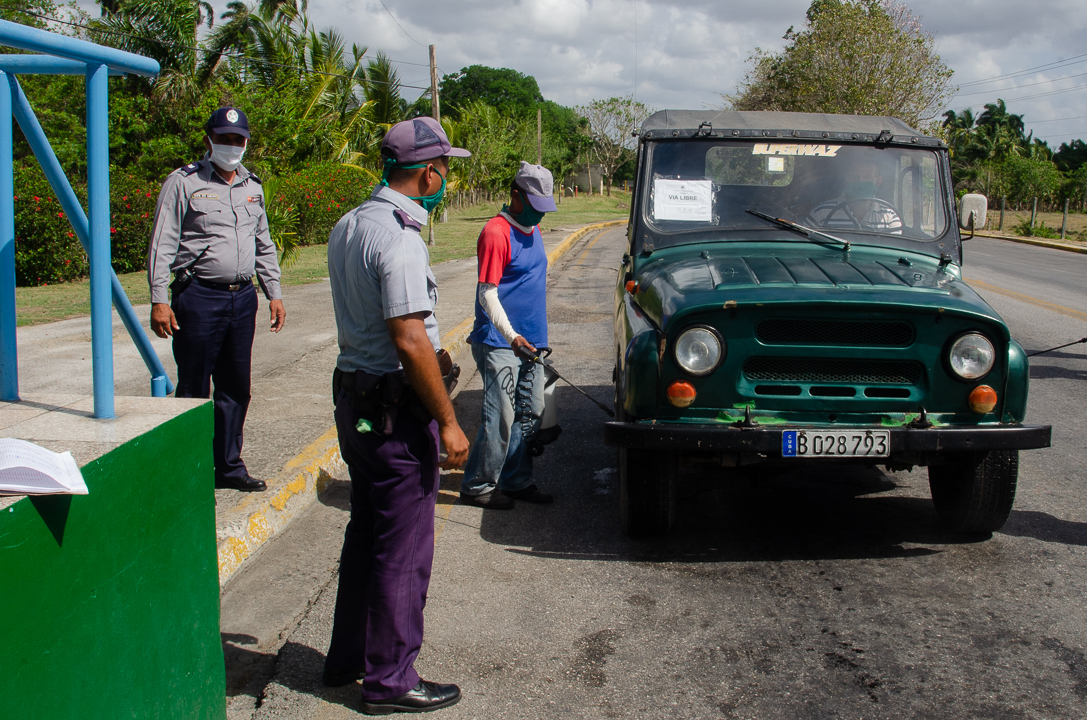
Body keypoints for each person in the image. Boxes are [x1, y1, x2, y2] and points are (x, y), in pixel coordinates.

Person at [323, 117, 471, 715]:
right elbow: (409, 338)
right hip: (392, 413)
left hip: (356, 406)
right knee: (403, 550)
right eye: (445, 170)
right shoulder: (401, 238)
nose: (446, 179)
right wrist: (449, 422)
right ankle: (390, 680)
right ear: (428, 173)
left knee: (367, 531)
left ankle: (349, 658)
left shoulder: (350, 224)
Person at [147, 106, 286, 492]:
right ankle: (188, 471)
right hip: (198, 297)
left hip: (242, 299)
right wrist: (159, 299)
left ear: (246, 142)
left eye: (238, 139)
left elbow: (264, 243)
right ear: (209, 140)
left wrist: (274, 293)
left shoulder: (252, 186)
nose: (231, 145)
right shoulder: (183, 182)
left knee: (236, 387)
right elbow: (162, 242)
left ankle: (228, 467)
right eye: (224, 138)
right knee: (194, 388)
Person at [459, 161, 558, 510]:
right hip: (500, 341)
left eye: (544, 207)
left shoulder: (534, 229)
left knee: (529, 413)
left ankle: (516, 480)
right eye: (534, 205)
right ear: (516, 195)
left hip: (532, 340)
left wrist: (534, 337)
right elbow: (487, 294)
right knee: (500, 415)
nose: (539, 214)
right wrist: (513, 336)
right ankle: (478, 484)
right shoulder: (496, 232)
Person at [807, 154, 903, 233]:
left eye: (867, 177)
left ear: (878, 181)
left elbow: (895, 248)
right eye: (854, 177)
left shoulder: (890, 217)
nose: (860, 181)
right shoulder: (821, 213)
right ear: (847, 178)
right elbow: (806, 243)